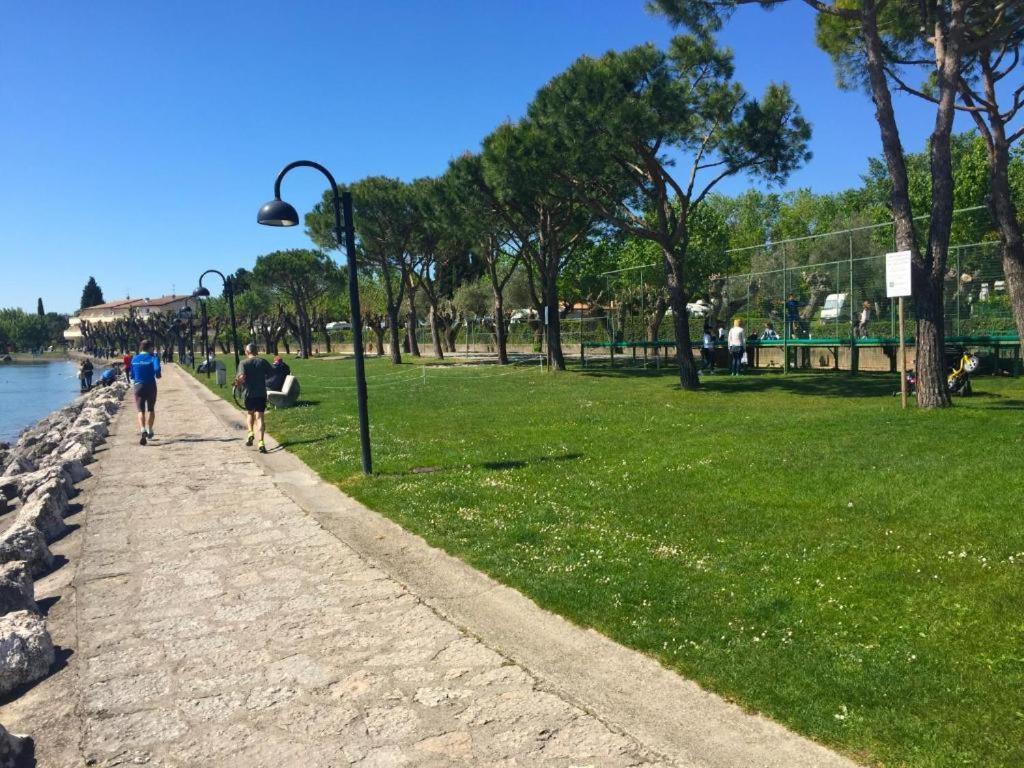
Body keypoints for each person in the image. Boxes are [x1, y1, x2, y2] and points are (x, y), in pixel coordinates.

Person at [236, 343, 273, 454]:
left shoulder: (243, 363)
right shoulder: (262, 361)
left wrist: (238, 382)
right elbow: (270, 373)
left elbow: (242, 377)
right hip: (261, 393)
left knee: (250, 413)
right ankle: (261, 442)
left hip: (249, 394)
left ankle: (250, 432)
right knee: (260, 417)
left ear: (247, 352)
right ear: (256, 352)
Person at [131, 339, 162, 446]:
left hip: (138, 386)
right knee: (151, 409)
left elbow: (132, 375)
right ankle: (150, 430)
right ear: (149, 348)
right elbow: (157, 369)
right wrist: (158, 375)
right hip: (150, 386)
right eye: (152, 348)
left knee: (140, 411)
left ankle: (142, 429)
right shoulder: (153, 358)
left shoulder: (134, 359)